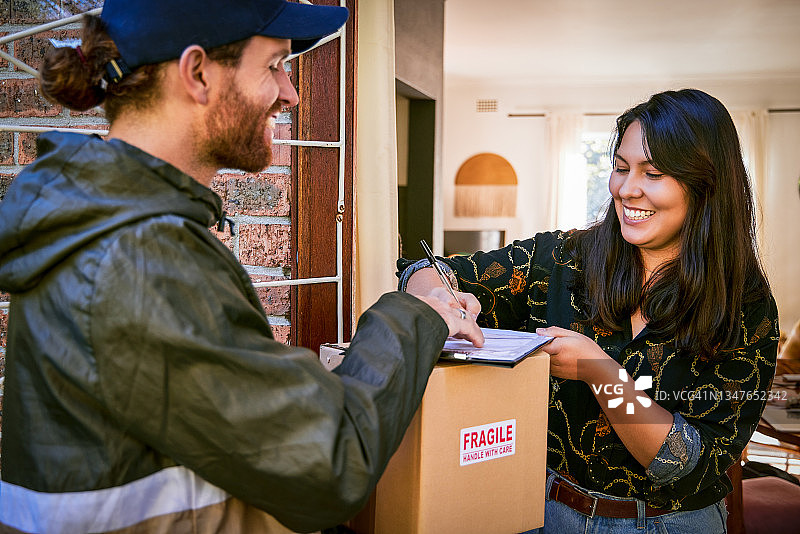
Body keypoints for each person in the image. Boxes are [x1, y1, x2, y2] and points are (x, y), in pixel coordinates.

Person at [0, 1, 483, 533]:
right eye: (274, 64)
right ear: (198, 73)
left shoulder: (109, 227)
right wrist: (414, 313)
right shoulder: (141, 256)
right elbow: (328, 463)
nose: (291, 92)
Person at [399, 88, 779, 533]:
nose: (626, 188)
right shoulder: (561, 258)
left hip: (671, 524)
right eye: (621, 168)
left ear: (706, 185)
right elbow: (429, 268)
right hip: (545, 512)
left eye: (652, 173)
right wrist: (441, 298)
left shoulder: (745, 306)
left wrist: (600, 372)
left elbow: (687, 464)